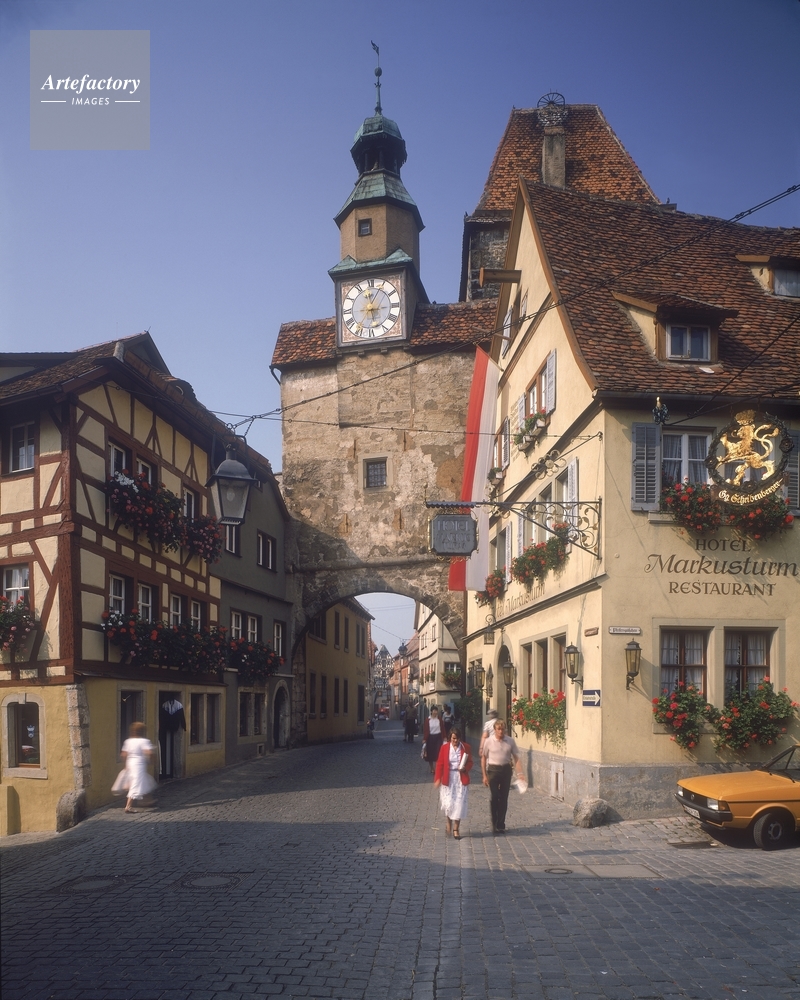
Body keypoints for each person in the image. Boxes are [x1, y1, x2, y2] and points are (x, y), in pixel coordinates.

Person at [481, 719, 523, 834]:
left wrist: (520, 774)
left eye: (502, 729)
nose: (501, 731)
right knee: (495, 796)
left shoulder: (510, 741)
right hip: (493, 770)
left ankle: (501, 824)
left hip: (505, 770)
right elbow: (483, 758)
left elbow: (516, 758)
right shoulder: (488, 741)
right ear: (494, 730)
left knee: (504, 798)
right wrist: (484, 775)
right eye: (499, 729)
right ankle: (494, 821)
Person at [433, 726, 473, 838]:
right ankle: (448, 823)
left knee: (459, 803)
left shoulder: (466, 747)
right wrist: (437, 778)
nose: (455, 740)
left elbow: (470, 762)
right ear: (450, 738)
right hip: (448, 777)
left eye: (457, 738)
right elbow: (440, 764)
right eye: (453, 738)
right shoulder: (444, 748)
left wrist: (465, 768)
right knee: (449, 803)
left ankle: (456, 829)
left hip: (460, 778)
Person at [120, 721, 157, 813]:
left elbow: (123, 754)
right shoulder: (144, 741)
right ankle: (128, 806)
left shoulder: (128, 741)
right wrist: (152, 759)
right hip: (139, 765)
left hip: (130, 763)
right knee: (136, 784)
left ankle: (146, 800)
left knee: (145, 781)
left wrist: (126, 765)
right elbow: (149, 752)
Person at [422, 706, 444, 774]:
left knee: (438, 753)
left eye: (436, 711)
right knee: (430, 753)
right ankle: (432, 768)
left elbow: (442, 728)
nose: (435, 712)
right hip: (430, 738)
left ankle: (438, 767)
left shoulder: (439, 719)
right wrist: (425, 739)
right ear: (431, 711)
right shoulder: (428, 720)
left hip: (438, 737)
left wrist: (444, 737)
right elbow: (426, 730)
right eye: (434, 711)